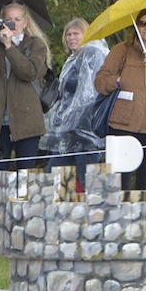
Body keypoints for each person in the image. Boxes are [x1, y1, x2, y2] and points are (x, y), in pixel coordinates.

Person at [93, 7, 146, 191]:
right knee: (118, 184)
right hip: (121, 126)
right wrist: (116, 81)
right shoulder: (121, 51)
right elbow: (99, 82)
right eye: (142, 23)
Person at [0, 0, 50, 170]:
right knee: (1, 175)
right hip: (0, 120)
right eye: (9, 19)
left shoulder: (36, 45)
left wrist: (9, 46)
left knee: (25, 174)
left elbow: (28, 72)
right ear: (2, 21)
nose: (13, 24)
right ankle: (3, 199)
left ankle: (23, 198)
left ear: (25, 22)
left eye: (17, 19)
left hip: (27, 120)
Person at [41, 19, 107, 189]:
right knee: (55, 178)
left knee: (89, 183)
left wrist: (73, 122)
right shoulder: (73, 59)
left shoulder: (92, 54)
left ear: (86, 34)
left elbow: (89, 95)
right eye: (68, 34)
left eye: (76, 33)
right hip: (69, 133)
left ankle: (94, 214)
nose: (71, 38)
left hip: (86, 133)